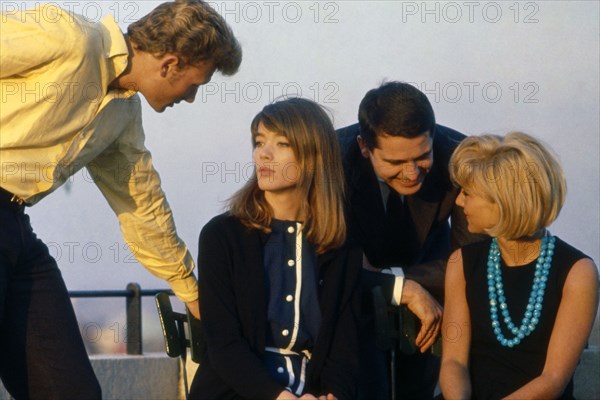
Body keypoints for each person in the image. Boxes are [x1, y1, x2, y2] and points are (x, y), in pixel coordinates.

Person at [0, 1, 241, 398]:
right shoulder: (70, 40)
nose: (192, 98)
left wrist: (193, 295)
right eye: (196, 84)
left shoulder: (123, 114)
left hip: (15, 227)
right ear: (169, 63)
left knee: (72, 392)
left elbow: (141, 204)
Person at [188, 98, 362, 400]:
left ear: (313, 155)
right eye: (259, 142)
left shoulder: (340, 245)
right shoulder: (222, 236)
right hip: (236, 391)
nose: (263, 154)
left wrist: (334, 395)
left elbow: (344, 349)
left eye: (281, 144)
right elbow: (224, 345)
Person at [337, 81, 483, 399]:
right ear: (364, 146)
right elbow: (328, 260)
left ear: (433, 137)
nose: (412, 172)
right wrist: (394, 289)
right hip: (352, 296)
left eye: (422, 157)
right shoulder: (331, 161)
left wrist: (399, 281)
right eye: (395, 163)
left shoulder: (460, 157)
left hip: (430, 277)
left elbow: (473, 258)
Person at [440, 132, 599, 399]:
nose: (459, 201)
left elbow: (553, 380)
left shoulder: (577, 272)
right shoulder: (462, 263)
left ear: (502, 200)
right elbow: (453, 362)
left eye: (468, 193)